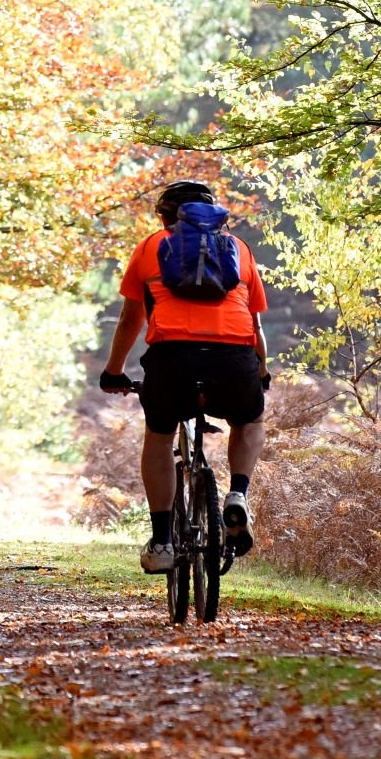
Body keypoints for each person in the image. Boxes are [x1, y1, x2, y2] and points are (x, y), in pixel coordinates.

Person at [98, 180, 270, 574]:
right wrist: (261, 371)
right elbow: (256, 326)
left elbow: (130, 319)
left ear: (164, 216)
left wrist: (114, 371)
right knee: (249, 420)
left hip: (172, 357)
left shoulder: (150, 247)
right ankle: (237, 495)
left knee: (159, 435)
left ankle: (161, 540)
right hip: (234, 356)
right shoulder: (239, 249)